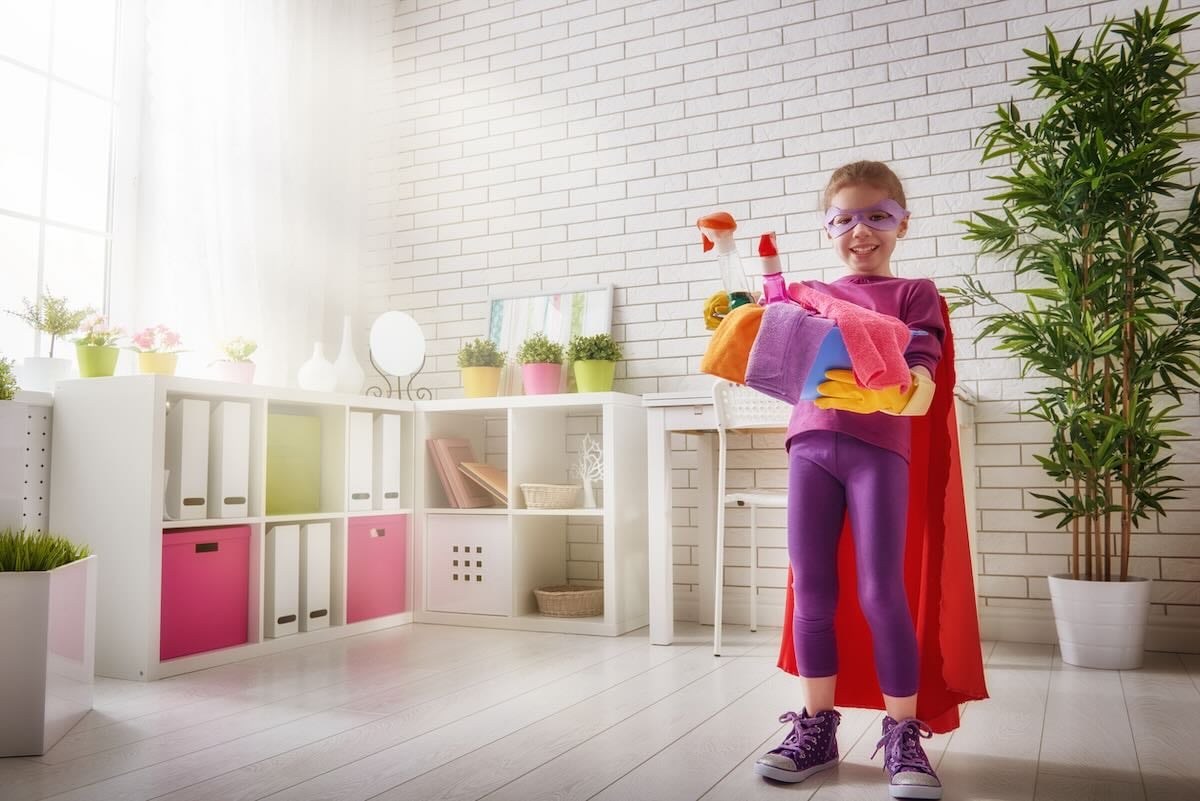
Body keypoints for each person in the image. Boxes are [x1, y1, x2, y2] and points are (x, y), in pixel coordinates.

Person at [751, 161, 980, 800]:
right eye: (844, 218)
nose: (861, 230)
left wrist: (907, 390)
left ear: (903, 223)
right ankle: (816, 727)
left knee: (883, 591)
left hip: (879, 451)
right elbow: (767, 350)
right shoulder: (804, 294)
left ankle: (903, 733)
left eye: (878, 215)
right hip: (810, 444)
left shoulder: (914, 294)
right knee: (813, 590)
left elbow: (924, 371)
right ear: (827, 228)